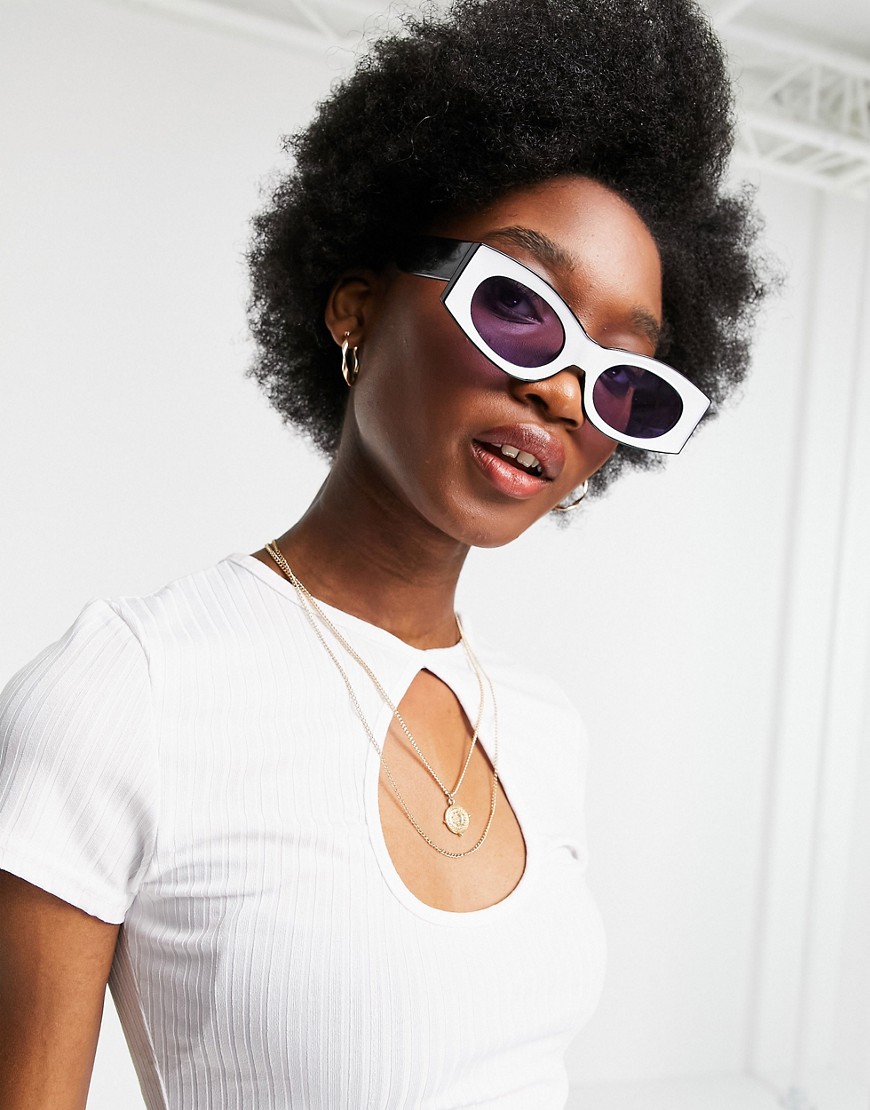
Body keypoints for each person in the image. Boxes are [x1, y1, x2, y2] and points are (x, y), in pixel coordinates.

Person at [0, 0, 765, 1106]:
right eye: (520, 308)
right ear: (356, 308)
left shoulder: (542, 730)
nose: (562, 393)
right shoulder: (129, 692)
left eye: (622, 377)